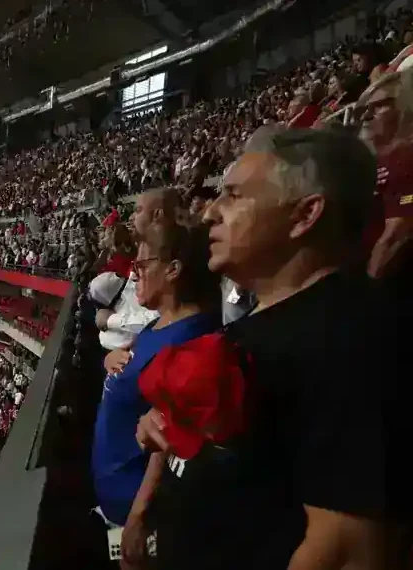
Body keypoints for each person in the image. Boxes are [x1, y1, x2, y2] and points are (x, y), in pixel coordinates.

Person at [137, 126, 410, 569]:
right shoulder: (271, 324)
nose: (210, 214)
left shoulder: (353, 338)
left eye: (234, 195)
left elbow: (347, 552)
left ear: (305, 215)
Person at [91, 221, 222, 568]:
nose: (134, 276)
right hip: (119, 498)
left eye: (141, 266)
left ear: (173, 270)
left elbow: (171, 435)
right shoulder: (160, 324)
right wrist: (109, 358)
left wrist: (138, 517)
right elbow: (130, 356)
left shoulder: (189, 337)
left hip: (142, 514)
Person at [357, 70, 413, 291]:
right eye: (367, 109)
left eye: (379, 106)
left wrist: (368, 296)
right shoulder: (385, 158)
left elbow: (396, 235)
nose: (366, 116)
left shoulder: (404, 157)